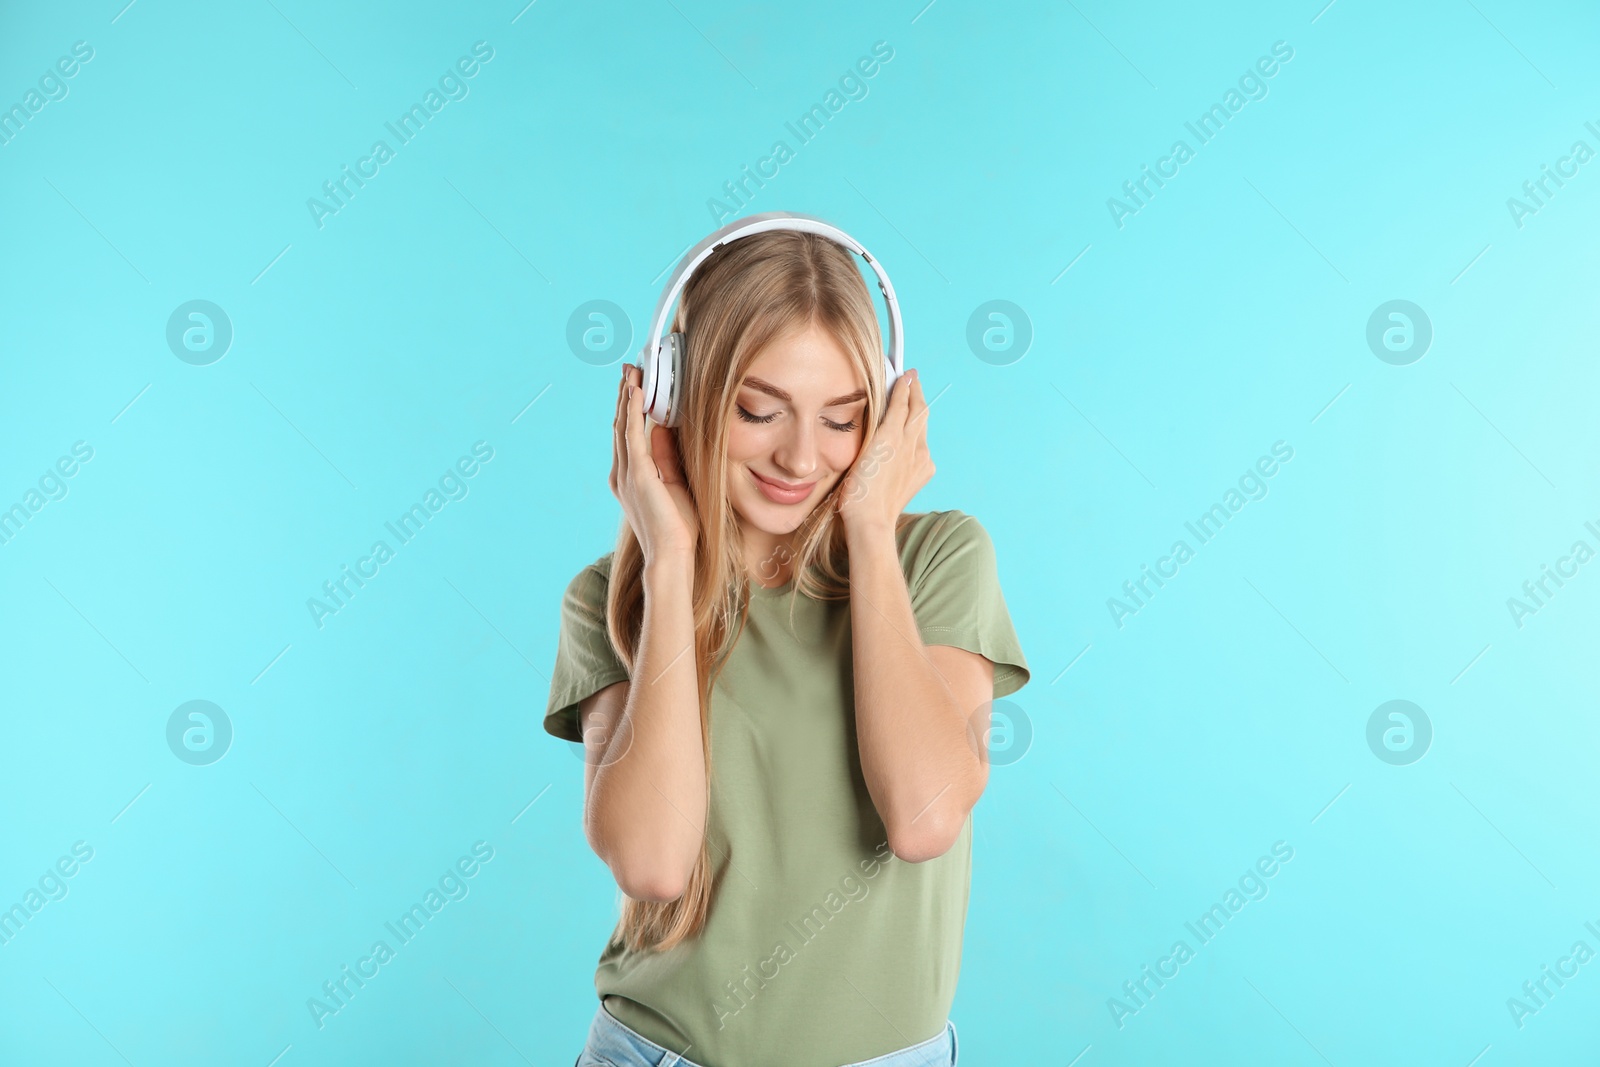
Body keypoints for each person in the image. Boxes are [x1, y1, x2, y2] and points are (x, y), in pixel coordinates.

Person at [544, 224, 1030, 1067]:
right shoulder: (611, 597)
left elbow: (923, 819)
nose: (800, 456)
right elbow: (654, 863)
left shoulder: (940, 558)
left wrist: (871, 534)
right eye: (758, 410)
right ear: (672, 396)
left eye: (841, 419)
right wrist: (668, 563)